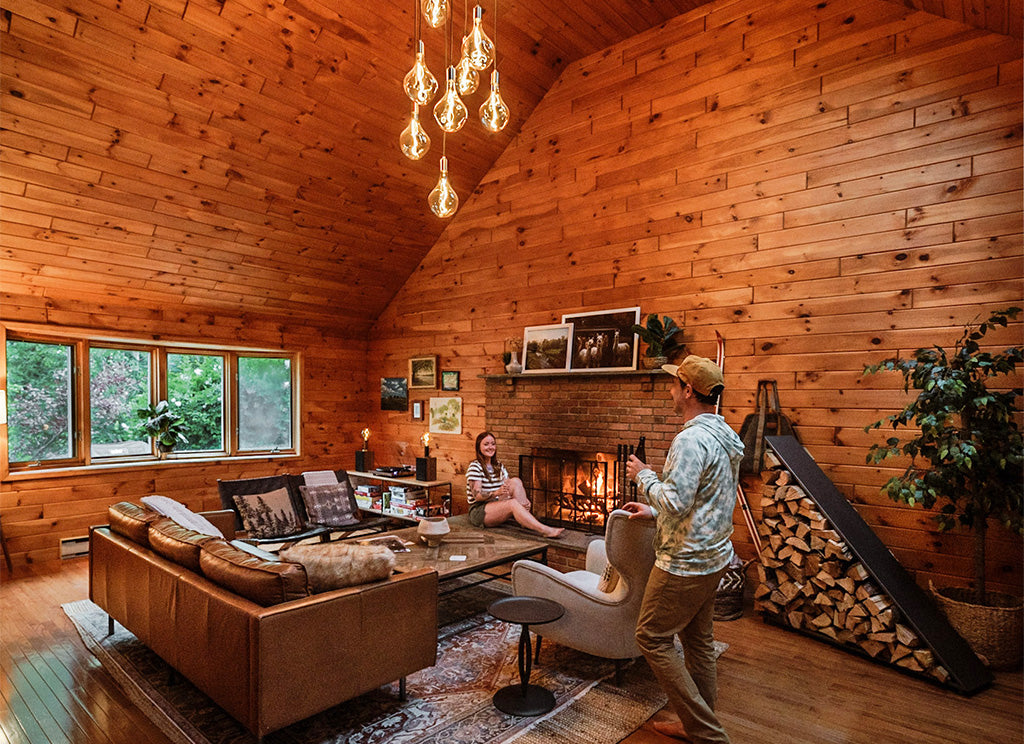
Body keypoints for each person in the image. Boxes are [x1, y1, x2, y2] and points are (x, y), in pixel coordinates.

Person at [622, 355, 743, 744]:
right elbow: (700, 503)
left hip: (684, 563)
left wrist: (643, 475)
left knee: (652, 637)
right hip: (713, 557)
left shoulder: (690, 439)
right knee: (698, 641)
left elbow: (675, 502)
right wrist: (652, 508)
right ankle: (696, 725)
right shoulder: (725, 435)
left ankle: (708, 735)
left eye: (675, 384)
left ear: (689, 391)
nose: (671, 390)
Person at [466, 432, 564, 538]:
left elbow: (508, 487)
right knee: (512, 504)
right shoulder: (475, 467)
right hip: (480, 511)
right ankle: (544, 530)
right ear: (479, 447)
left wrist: (523, 502)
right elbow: (477, 496)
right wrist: (496, 493)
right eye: (486, 444)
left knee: (516, 481)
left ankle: (525, 520)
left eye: (493, 444)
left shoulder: (498, 465)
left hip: (495, 503)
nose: (490, 447)